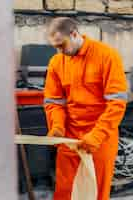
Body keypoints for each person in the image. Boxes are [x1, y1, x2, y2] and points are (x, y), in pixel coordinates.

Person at [44, 17, 127, 200]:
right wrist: (57, 126)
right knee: (65, 190)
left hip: (101, 138)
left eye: (62, 45)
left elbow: (117, 103)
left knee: (96, 191)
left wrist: (97, 135)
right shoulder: (57, 62)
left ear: (74, 34)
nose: (59, 51)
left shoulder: (107, 56)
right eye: (55, 47)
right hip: (69, 136)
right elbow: (54, 101)